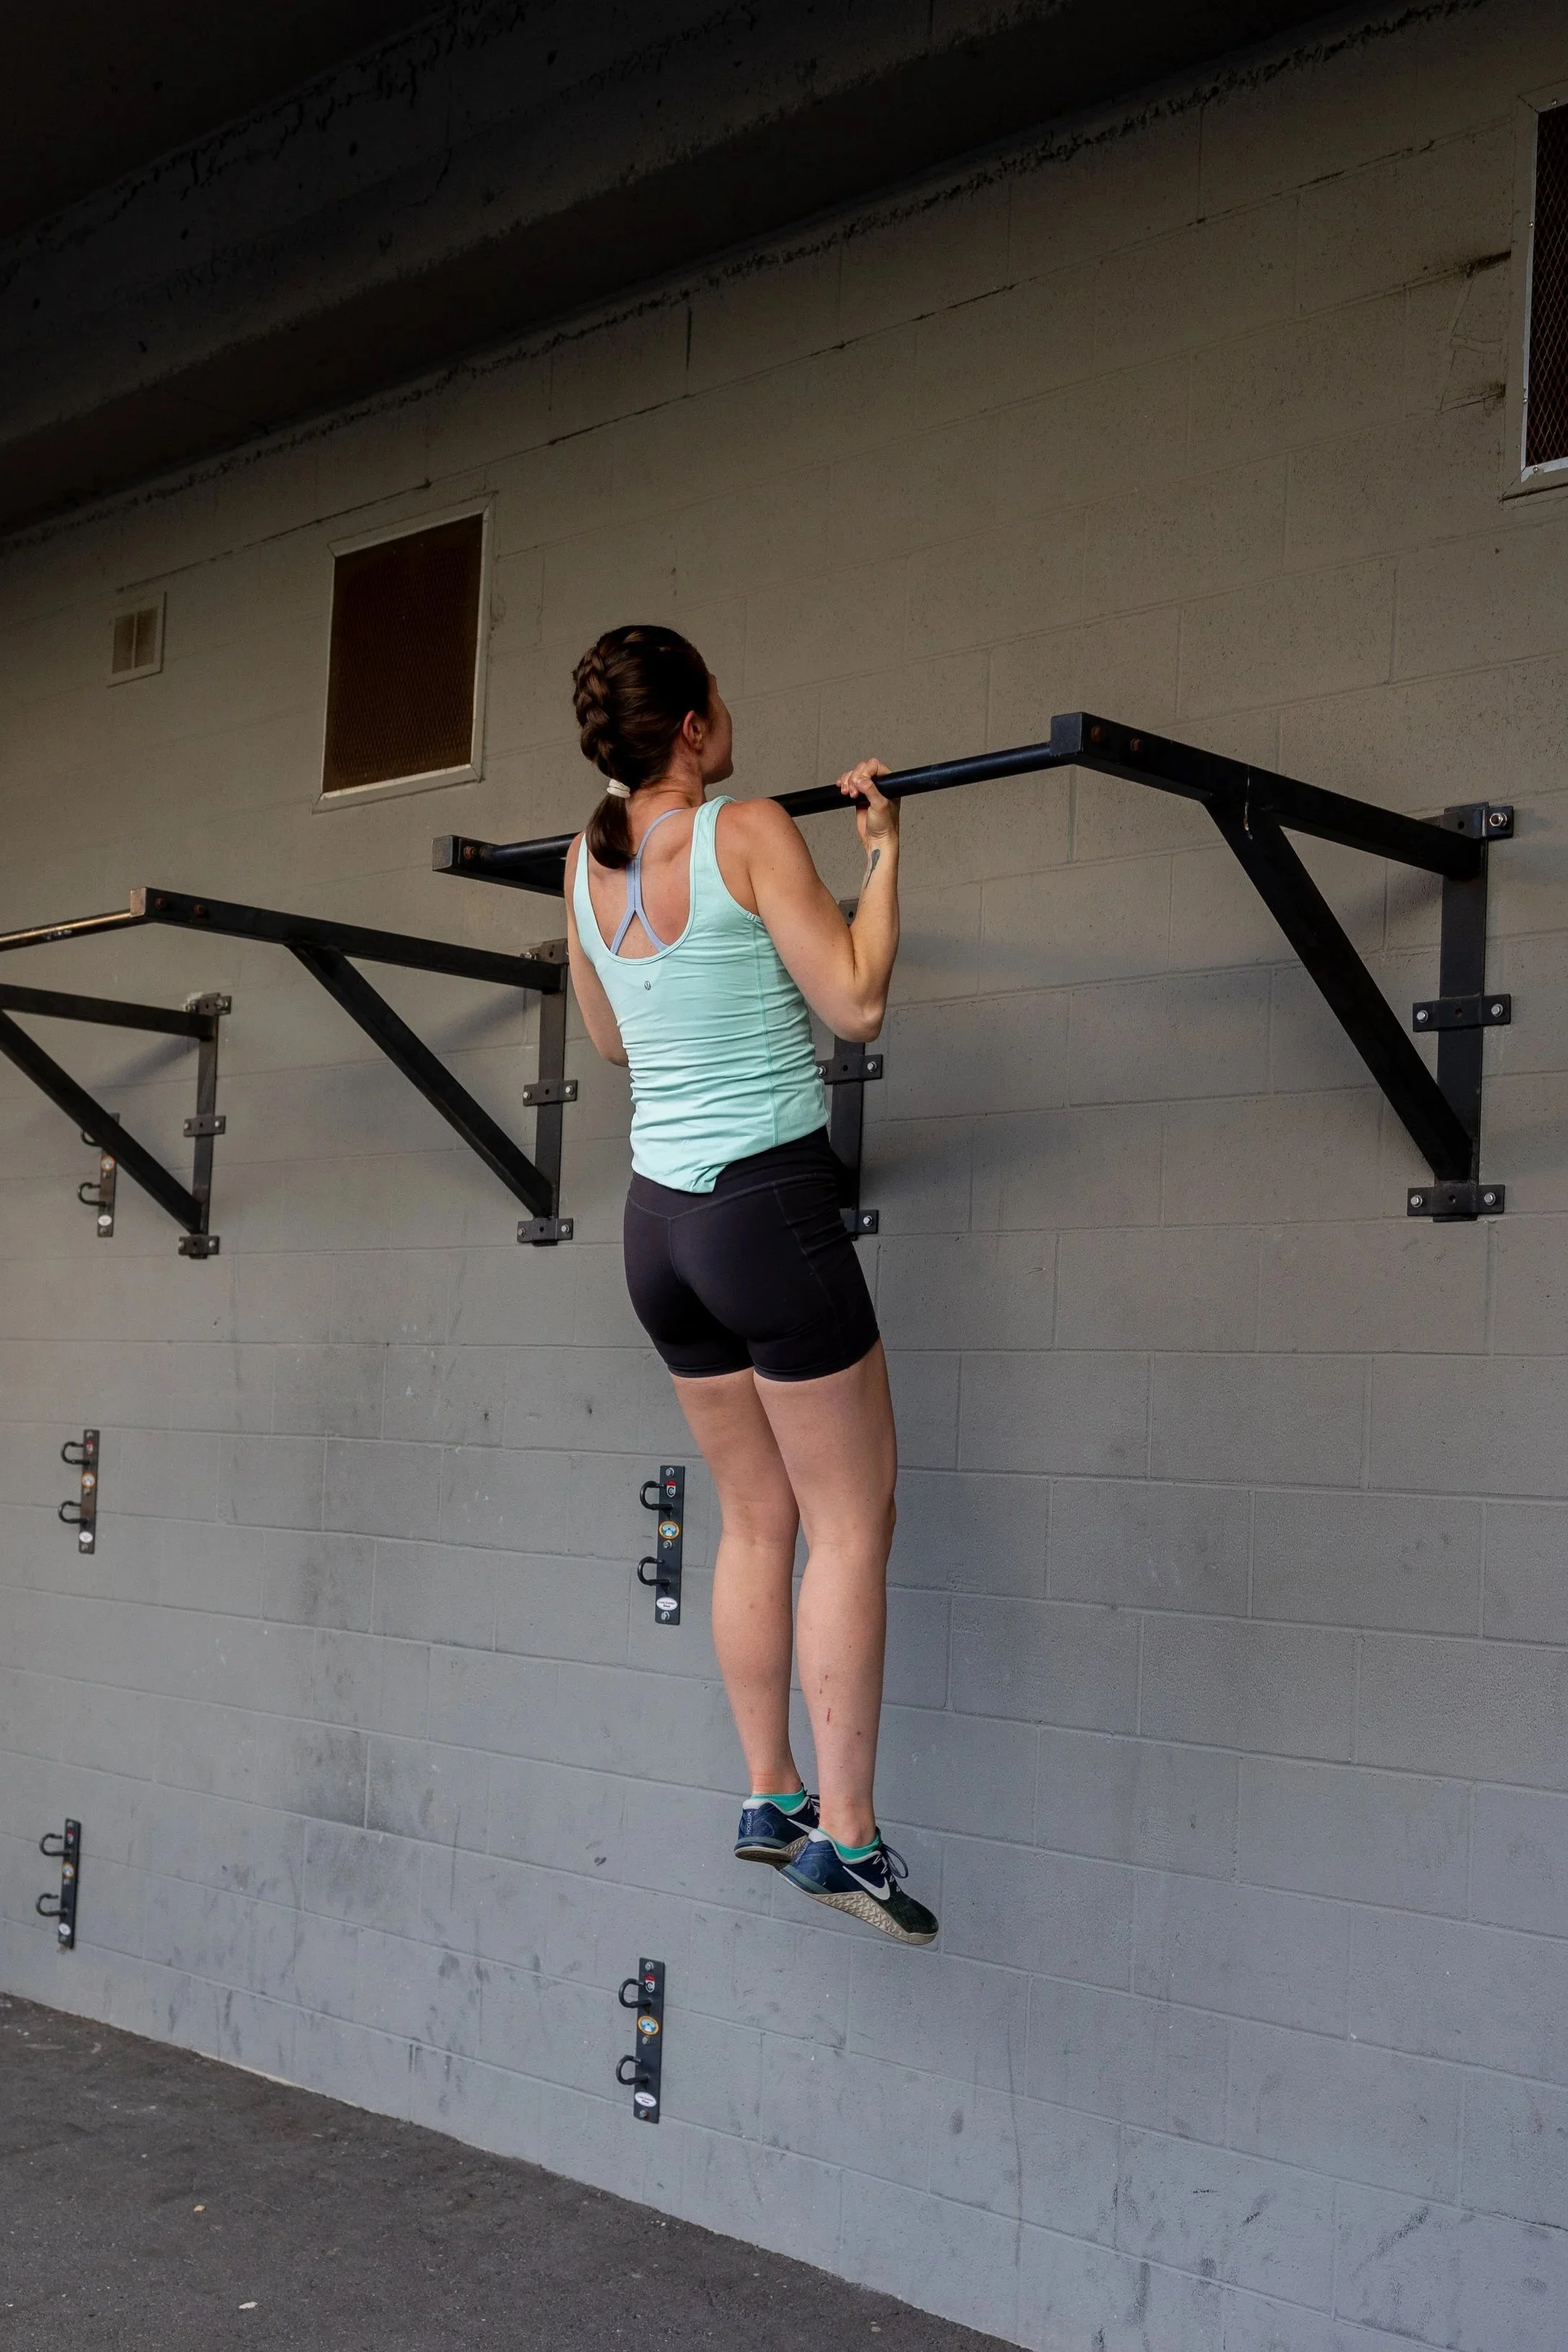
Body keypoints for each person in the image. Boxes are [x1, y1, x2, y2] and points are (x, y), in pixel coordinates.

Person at [563, 624, 937, 1947]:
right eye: (717, 700)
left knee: (756, 1517)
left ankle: (770, 1793)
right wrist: (882, 853)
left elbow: (609, 1037)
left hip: (657, 1232)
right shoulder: (748, 829)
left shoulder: (583, 862)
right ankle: (849, 1837)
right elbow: (858, 1003)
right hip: (763, 1213)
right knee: (850, 1520)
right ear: (693, 726)